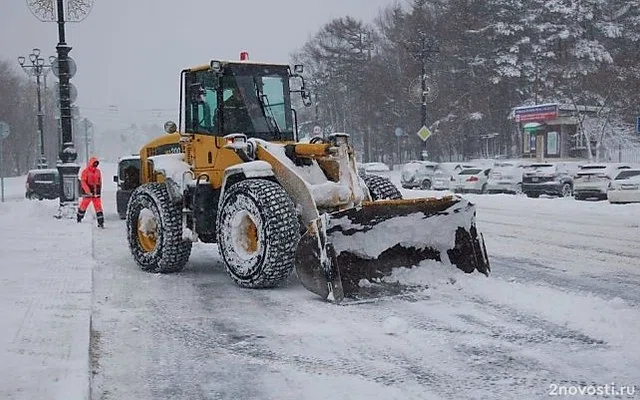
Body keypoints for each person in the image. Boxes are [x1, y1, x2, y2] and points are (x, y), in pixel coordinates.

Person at [77, 156, 104, 228]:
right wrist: (88, 191)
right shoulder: (85, 171)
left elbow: (99, 181)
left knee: (98, 207)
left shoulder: (98, 171)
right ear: (91, 163)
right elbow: (83, 182)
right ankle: (79, 217)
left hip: (96, 192)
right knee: (84, 205)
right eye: (94, 163)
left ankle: (101, 222)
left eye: (96, 163)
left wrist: (98, 191)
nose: (95, 165)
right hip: (88, 192)